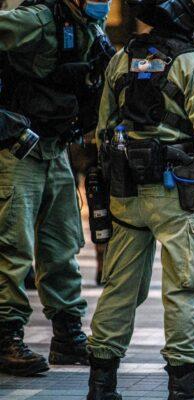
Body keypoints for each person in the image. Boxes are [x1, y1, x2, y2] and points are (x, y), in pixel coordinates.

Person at [85, 0, 194, 398]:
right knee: (183, 289)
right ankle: (183, 388)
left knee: (120, 286)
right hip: (179, 194)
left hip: (125, 193)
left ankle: (101, 385)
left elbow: (103, 129)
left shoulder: (121, 57)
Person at [0, 0, 113, 376]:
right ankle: (6, 337)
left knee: (62, 245)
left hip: (56, 147)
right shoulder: (36, 19)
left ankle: (67, 337)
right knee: (13, 247)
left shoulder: (88, 28)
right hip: (17, 149)